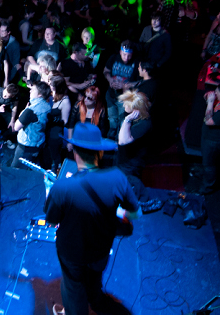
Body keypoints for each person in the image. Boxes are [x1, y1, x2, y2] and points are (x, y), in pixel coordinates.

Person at [44, 122, 141, 315]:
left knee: (73, 287)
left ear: (75, 153)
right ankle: (95, 299)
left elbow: (52, 221)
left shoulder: (62, 188)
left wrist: (49, 190)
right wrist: (114, 211)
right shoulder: (117, 177)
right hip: (101, 247)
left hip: (72, 251)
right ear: (100, 152)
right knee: (94, 278)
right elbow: (136, 213)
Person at [116, 90, 152, 200]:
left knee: (128, 188)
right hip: (123, 158)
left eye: (126, 104)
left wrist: (127, 120)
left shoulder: (144, 123)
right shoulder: (128, 115)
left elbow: (123, 141)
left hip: (131, 164)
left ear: (135, 109)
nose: (123, 105)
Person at [102, 41, 139, 138]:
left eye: (129, 56)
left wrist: (126, 85)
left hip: (125, 97)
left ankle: (120, 140)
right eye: (124, 55)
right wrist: (110, 80)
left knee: (122, 120)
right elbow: (106, 71)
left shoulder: (136, 63)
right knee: (112, 119)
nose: (126, 58)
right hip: (111, 95)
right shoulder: (114, 58)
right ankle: (110, 138)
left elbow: (141, 81)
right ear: (120, 52)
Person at [11, 81, 51, 168]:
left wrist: (23, 112)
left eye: (33, 90)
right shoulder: (47, 106)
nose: (30, 91)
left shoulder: (31, 110)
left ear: (39, 94)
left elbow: (16, 127)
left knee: (16, 170)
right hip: (38, 143)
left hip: (26, 147)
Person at [47, 72, 71, 171]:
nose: (49, 86)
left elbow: (64, 121)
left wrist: (53, 119)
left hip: (55, 132)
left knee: (54, 155)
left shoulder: (65, 101)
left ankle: (55, 170)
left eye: (51, 85)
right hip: (47, 128)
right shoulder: (50, 95)